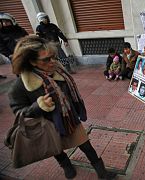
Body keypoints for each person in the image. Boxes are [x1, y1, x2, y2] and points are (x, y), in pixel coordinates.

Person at [8, 36, 117, 179]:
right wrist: (38, 106)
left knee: (86, 146)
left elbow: (71, 94)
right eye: (46, 59)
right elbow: (18, 110)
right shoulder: (21, 85)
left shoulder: (59, 70)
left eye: (53, 57)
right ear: (32, 61)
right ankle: (66, 165)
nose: (53, 62)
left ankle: (102, 172)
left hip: (69, 118)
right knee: (56, 149)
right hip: (48, 125)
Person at [0, 12, 28, 78]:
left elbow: (28, 39)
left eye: (6, 22)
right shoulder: (1, 34)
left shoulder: (20, 30)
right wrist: (9, 54)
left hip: (26, 53)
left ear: (12, 21)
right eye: (3, 22)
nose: (5, 24)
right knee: (20, 72)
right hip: (14, 56)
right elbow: (1, 47)